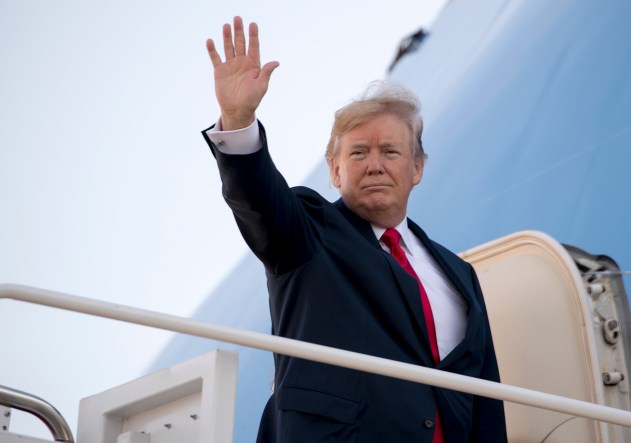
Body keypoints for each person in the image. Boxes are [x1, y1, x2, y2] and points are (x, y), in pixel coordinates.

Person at [202, 16, 507, 443]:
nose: (375, 164)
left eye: (391, 151)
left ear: (417, 168)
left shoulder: (460, 274)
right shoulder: (307, 231)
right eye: (359, 152)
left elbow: (484, 396)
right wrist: (237, 120)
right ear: (335, 170)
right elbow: (257, 200)